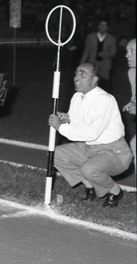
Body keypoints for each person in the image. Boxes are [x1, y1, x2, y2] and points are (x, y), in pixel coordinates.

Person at [49, 62, 132, 207]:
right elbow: (78, 123)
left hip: (114, 152)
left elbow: (91, 133)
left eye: (83, 75)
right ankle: (90, 187)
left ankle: (115, 192)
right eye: (76, 74)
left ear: (94, 80)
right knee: (54, 154)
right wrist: (66, 119)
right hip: (89, 148)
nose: (76, 78)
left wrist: (60, 127)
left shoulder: (105, 99)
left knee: (89, 169)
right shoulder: (77, 97)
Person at [122, 38, 136, 167]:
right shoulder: (132, 72)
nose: (127, 55)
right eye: (127, 51)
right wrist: (132, 103)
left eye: (132, 51)